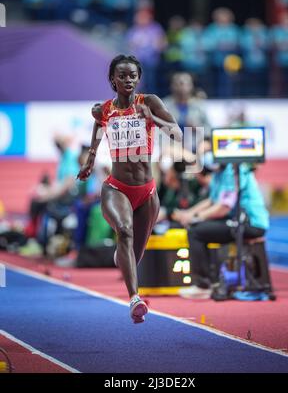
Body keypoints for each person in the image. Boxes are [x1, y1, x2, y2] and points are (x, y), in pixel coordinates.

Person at [77, 54, 182, 323]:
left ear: (138, 78)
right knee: (124, 230)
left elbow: (177, 134)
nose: (128, 80)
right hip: (117, 187)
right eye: (122, 75)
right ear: (113, 79)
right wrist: (90, 160)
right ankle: (135, 298)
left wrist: (152, 118)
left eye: (132, 75)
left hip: (147, 192)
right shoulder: (105, 110)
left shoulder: (149, 102)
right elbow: (98, 127)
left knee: (134, 254)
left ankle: (122, 256)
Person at [173, 162, 269, 299]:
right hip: (236, 221)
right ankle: (211, 281)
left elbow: (224, 207)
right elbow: (212, 201)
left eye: (206, 151)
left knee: (196, 232)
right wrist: (188, 214)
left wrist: (195, 217)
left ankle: (203, 285)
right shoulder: (219, 172)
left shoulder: (233, 170)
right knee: (197, 228)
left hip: (251, 224)